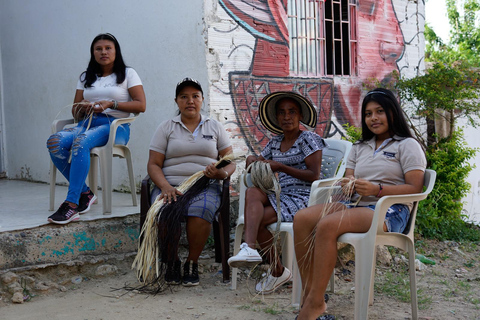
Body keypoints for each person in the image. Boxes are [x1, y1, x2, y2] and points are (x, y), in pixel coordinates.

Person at [293, 88, 427, 320]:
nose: (373, 118)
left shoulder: (407, 145)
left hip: (390, 210)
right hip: (356, 204)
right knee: (302, 218)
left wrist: (379, 189)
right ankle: (310, 296)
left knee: (327, 225)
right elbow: (349, 177)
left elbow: (415, 188)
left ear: (392, 112)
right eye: (368, 114)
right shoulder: (359, 146)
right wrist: (349, 182)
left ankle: (314, 306)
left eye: (379, 112)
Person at [228, 91, 328, 294]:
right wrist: (252, 160)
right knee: (253, 192)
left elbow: (314, 175)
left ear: (300, 116)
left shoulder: (308, 139)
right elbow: (261, 159)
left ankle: (277, 270)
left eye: (292, 112)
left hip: (303, 196)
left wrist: (281, 167)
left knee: (257, 220)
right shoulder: (275, 141)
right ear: (276, 118)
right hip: (279, 193)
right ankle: (250, 249)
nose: (287, 117)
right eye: (281, 113)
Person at [47, 33, 146, 225]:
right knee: (54, 141)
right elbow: (75, 112)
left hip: (115, 127)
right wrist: (83, 107)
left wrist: (112, 104)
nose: (103, 52)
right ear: (93, 53)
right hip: (87, 124)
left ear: (116, 51)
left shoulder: (128, 74)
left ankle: (72, 204)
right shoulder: (85, 77)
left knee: (81, 141)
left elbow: (141, 106)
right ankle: (85, 192)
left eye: (108, 48)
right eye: (98, 49)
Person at [147, 78, 236, 287]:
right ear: (176, 101)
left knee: (201, 210)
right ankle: (172, 262)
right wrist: (165, 186)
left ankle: (192, 262)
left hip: (205, 185)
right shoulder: (166, 127)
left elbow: (231, 162)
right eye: (184, 97)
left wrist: (221, 174)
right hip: (171, 186)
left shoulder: (214, 126)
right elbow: (153, 165)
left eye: (195, 96)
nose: (190, 101)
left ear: (202, 100)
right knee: (164, 210)